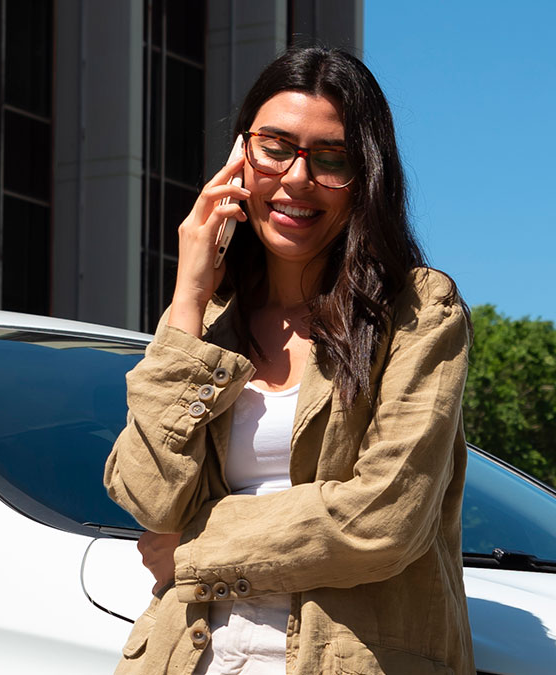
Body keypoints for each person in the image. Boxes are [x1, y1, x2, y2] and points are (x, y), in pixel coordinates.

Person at [104, 46, 473, 674]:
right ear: (239, 158)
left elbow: (385, 517)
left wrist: (194, 549)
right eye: (275, 147)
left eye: (331, 159)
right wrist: (188, 297)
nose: (298, 178)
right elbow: (147, 499)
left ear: (367, 179)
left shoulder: (417, 310)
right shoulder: (206, 322)